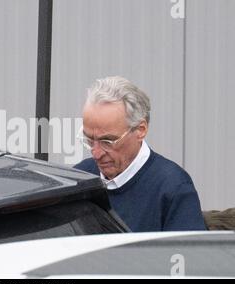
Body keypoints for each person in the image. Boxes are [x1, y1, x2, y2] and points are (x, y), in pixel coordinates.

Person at [74, 76, 206, 232]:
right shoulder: (79, 179)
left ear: (140, 130)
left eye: (107, 142)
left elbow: (185, 254)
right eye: (89, 140)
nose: (96, 154)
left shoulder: (172, 187)